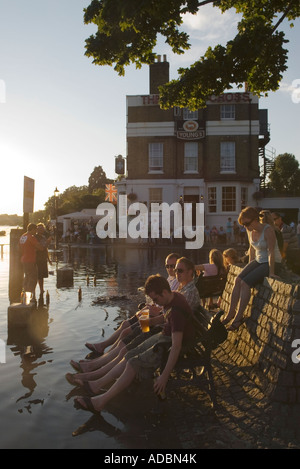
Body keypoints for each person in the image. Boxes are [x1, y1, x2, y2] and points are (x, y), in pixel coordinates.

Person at [73, 274, 195, 414]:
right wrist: (147, 321)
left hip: (166, 345)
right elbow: (164, 317)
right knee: (130, 355)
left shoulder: (176, 312)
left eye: (156, 299)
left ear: (165, 292)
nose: (156, 302)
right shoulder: (173, 298)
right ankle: (96, 384)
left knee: (132, 364)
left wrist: (164, 377)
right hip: (163, 337)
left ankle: (100, 401)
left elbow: (176, 346)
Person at [67, 257, 200, 384]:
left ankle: (96, 365)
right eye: (171, 267)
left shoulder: (187, 292)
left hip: (162, 330)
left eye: (178, 269)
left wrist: (152, 315)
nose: (174, 272)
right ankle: (98, 360)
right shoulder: (179, 288)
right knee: (129, 326)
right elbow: (168, 312)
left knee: (128, 337)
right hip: (160, 325)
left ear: (190, 272)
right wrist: (150, 313)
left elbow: (174, 317)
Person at [84, 253, 181, 356]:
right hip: (151, 312)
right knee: (125, 324)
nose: (170, 269)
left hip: (155, 317)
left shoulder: (177, 282)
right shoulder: (170, 279)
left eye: (172, 266)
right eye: (167, 266)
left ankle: (108, 354)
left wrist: (153, 311)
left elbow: (167, 305)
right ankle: (104, 349)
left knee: (127, 332)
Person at [221, 206, 282, 331]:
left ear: (255, 220)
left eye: (246, 223)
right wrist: (248, 269)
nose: (245, 226)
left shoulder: (268, 230)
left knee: (245, 283)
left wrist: (271, 272)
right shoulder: (250, 231)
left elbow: (271, 252)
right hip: (259, 261)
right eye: (243, 224)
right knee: (238, 279)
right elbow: (252, 251)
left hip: (272, 262)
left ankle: (238, 318)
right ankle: (230, 314)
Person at [19, 223, 49, 301]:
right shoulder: (30, 237)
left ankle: (24, 294)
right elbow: (41, 248)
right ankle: (31, 297)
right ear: (32, 229)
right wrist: (47, 242)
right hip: (30, 260)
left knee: (27, 277)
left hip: (24, 259)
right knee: (33, 278)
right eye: (35, 230)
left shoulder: (23, 236)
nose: (36, 232)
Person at [35, 223, 52, 301]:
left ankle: (42, 289)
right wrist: (47, 242)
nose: (40, 230)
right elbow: (41, 247)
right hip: (37, 258)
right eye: (39, 228)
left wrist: (48, 259)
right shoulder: (35, 237)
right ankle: (34, 291)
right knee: (37, 275)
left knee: (42, 275)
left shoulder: (44, 237)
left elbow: (45, 249)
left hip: (43, 258)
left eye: (42, 228)